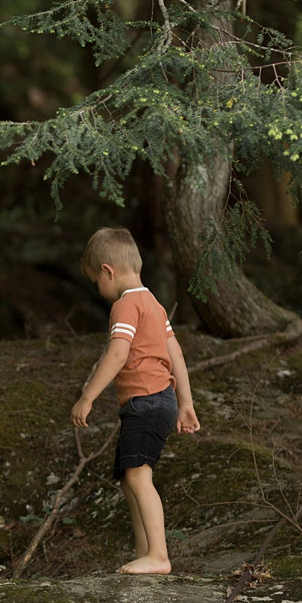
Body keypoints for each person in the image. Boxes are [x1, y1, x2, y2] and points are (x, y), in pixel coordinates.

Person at [69, 227, 200, 575]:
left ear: (109, 271)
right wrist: (185, 402)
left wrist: (87, 397)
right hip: (161, 400)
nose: (99, 289)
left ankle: (158, 555)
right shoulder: (154, 304)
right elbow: (175, 352)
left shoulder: (126, 305)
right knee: (130, 477)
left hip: (146, 401)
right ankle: (146, 550)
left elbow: (117, 353)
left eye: (97, 280)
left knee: (139, 477)